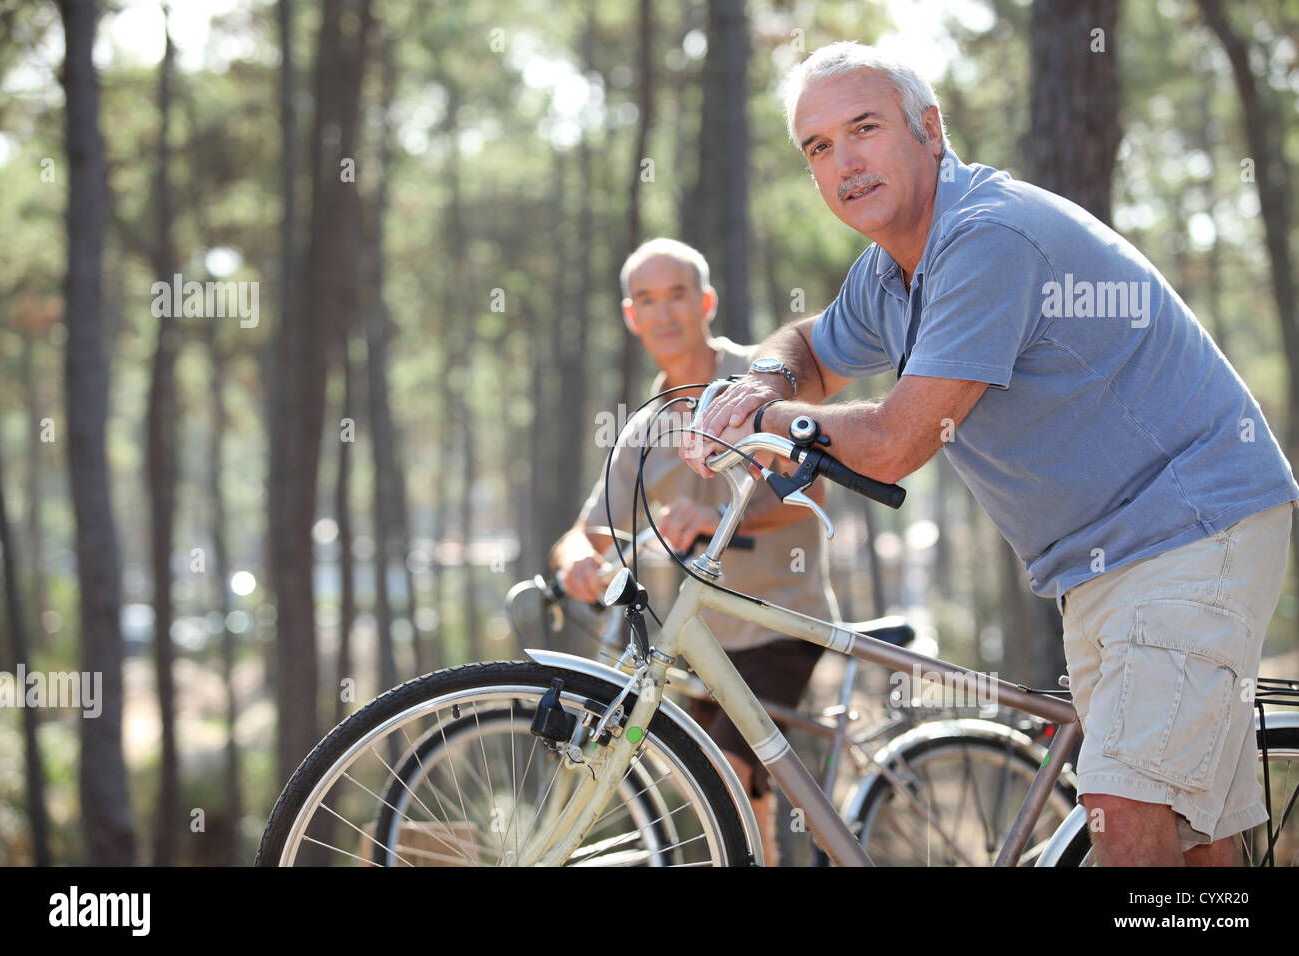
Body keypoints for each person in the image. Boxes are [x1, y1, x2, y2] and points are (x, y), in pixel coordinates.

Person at [683, 41, 1299, 866]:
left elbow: (900, 440)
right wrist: (763, 379)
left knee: (1123, 813)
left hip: (1189, 528)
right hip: (1106, 561)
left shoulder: (986, 239)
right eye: (819, 147)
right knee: (1191, 844)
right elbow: (810, 346)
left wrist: (782, 419)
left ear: (930, 130)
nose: (844, 161)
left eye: (864, 128)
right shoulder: (891, 272)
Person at [550, 237, 839, 862]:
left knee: (727, 782)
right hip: (690, 642)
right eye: (646, 300)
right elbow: (588, 530)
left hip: (777, 623)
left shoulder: (758, 378)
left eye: (677, 294)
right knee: (729, 803)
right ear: (631, 316)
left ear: (705, 301)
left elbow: (809, 475)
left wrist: (718, 515)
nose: (664, 313)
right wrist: (574, 556)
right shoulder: (644, 421)